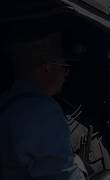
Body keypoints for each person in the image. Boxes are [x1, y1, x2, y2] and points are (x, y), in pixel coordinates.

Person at [0, 32, 87, 180]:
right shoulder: (41, 109)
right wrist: (80, 168)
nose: (66, 76)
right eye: (65, 68)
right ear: (47, 67)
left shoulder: (6, 100)